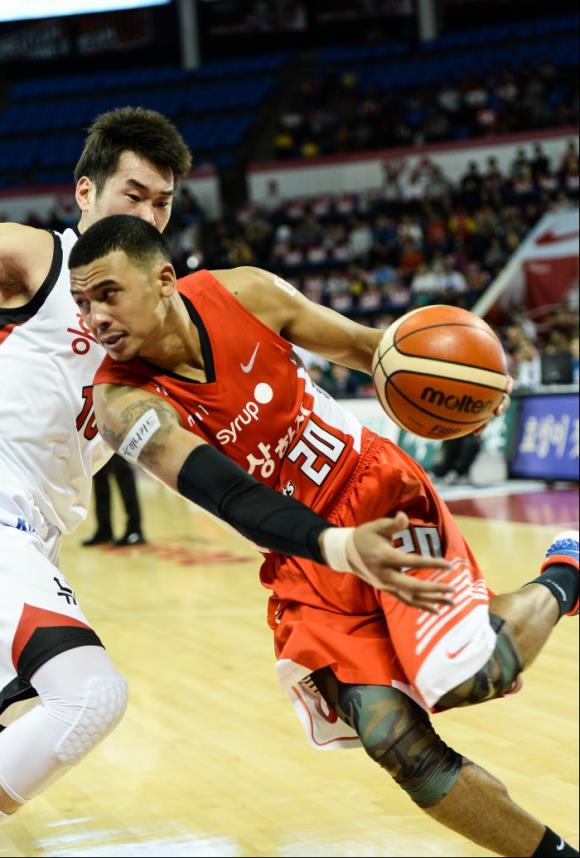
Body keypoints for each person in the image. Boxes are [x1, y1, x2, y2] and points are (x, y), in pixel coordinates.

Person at [69, 215, 578, 858]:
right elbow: (232, 498)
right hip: (303, 556)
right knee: (394, 740)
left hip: (381, 501)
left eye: (108, 294)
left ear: (164, 280)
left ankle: (567, 569)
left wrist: (461, 382)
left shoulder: (245, 293)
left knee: (471, 676)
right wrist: (337, 547)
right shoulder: (122, 405)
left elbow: (372, 349)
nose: (95, 318)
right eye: (82, 303)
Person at [0, 110, 454, 823]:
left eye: (163, 202)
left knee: (32, 713)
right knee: (87, 697)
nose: (149, 214)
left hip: (38, 532)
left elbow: (359, 347)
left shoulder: (156, 316)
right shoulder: (39, 258)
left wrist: (441, 370)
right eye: (133, 194)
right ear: (84, 192)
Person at [82, 453, 146, 546]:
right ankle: (104, 531)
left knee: (123, 471)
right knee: (99, 474)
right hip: (100, 444)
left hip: (117, 445)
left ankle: (135, 530)